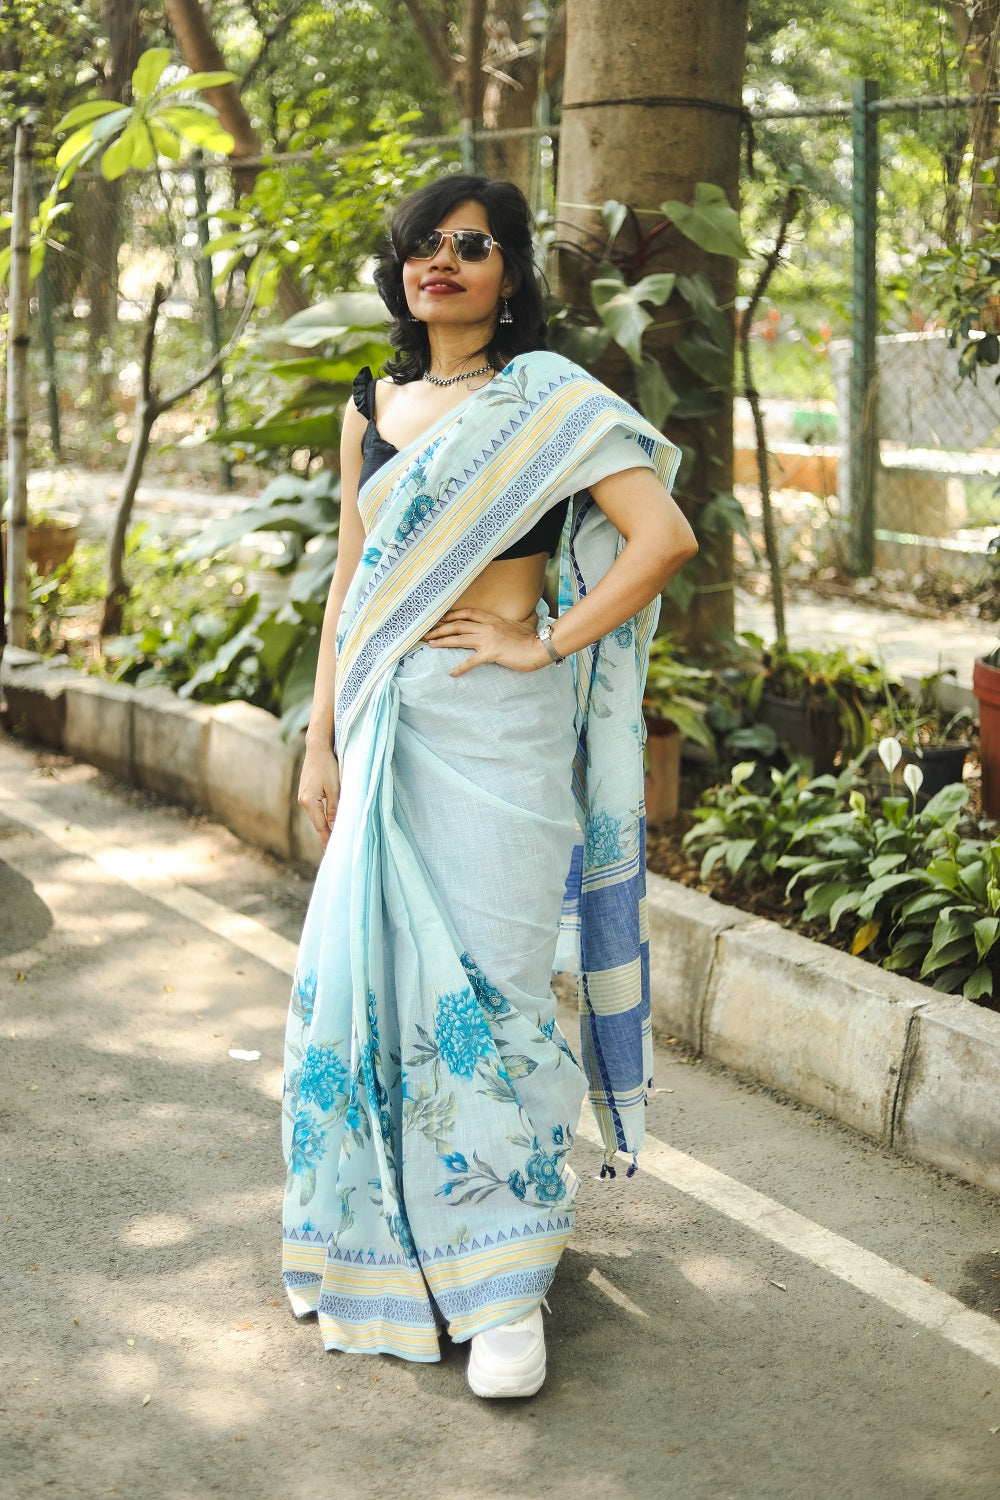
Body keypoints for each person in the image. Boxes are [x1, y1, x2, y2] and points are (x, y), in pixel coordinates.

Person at [281, 173, 697, 1398]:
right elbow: (354, 583)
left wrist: (545, 643)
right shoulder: (369, 406)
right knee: (375, 987)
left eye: (473, 246)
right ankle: (399, 1244)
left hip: (502, 738)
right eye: (423, 245)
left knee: (497, 994)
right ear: (400, 268)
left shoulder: (549, 402)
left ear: (511, 272)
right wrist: (320, 739)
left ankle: (505, 1283)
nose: (443, 263)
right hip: (382, 721)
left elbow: (661, 536)